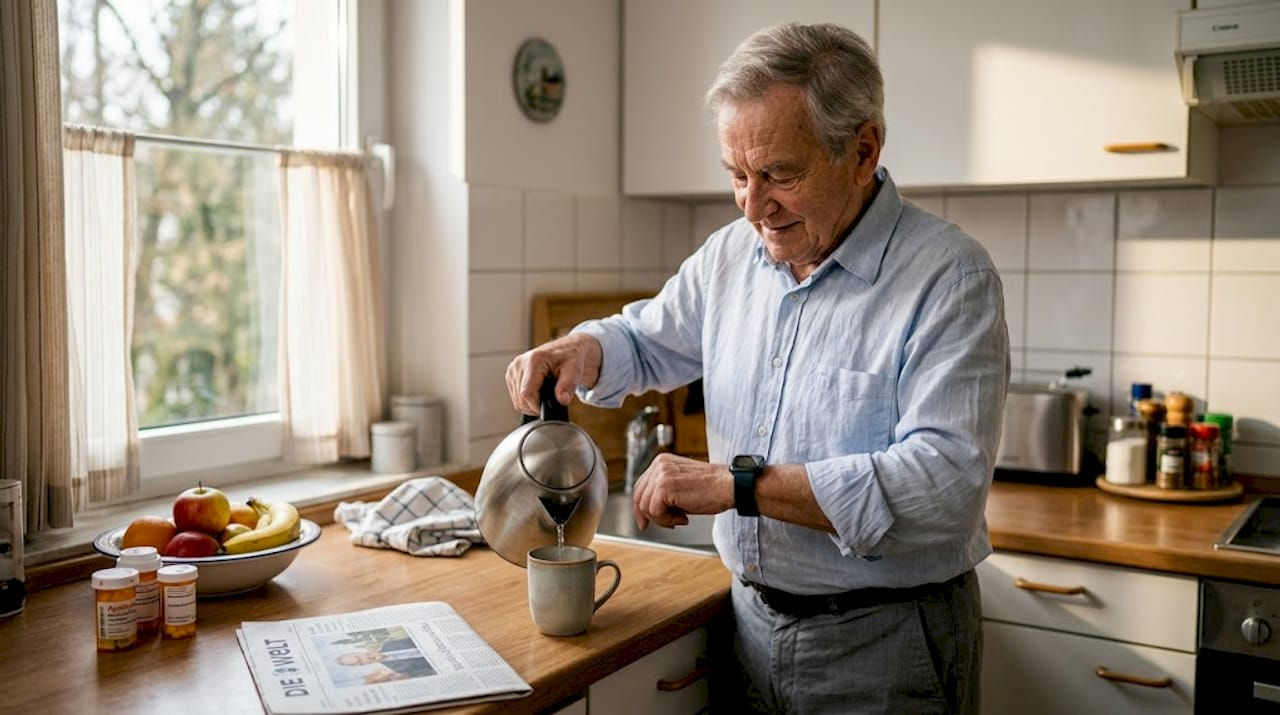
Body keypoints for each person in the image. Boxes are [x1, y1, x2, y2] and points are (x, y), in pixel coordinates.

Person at [505, 21, 1009, 715]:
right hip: (746, 631)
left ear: (863, 150)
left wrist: (737, 484)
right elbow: (647, 339)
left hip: (888, 643)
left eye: (779, 174)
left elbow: (944, 485)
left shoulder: (949, 276)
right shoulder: (729, 256)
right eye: (737, 176)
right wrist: (584, 347)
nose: (753, 205)